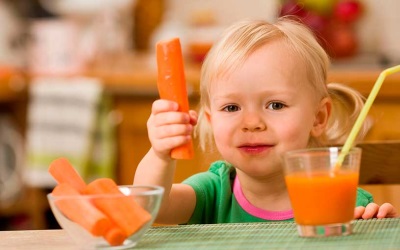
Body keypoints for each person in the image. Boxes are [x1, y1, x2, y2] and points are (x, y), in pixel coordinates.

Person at [133, 18, 398, 224]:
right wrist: (160, 154)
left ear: (318, 117)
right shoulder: (213, 192)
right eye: (231, 107)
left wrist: (375, 233)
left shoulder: (345, 202)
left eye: (275, 105)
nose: (251, 123)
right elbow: (147, 209)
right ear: (211, 121)